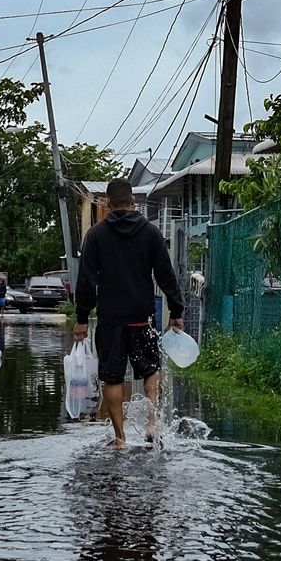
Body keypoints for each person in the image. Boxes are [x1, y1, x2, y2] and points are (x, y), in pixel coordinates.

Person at [73, 178, 185, 448]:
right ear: (133, 202)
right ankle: (151, 423)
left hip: (111, 317)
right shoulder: (151, 233)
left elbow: (87, 280)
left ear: (108, 204)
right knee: (150, 368)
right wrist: (176, 309)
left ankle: (120, 438)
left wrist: (81, 318)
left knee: (112, 375)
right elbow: (165, 274)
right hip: (141, 315)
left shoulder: (96, 235)